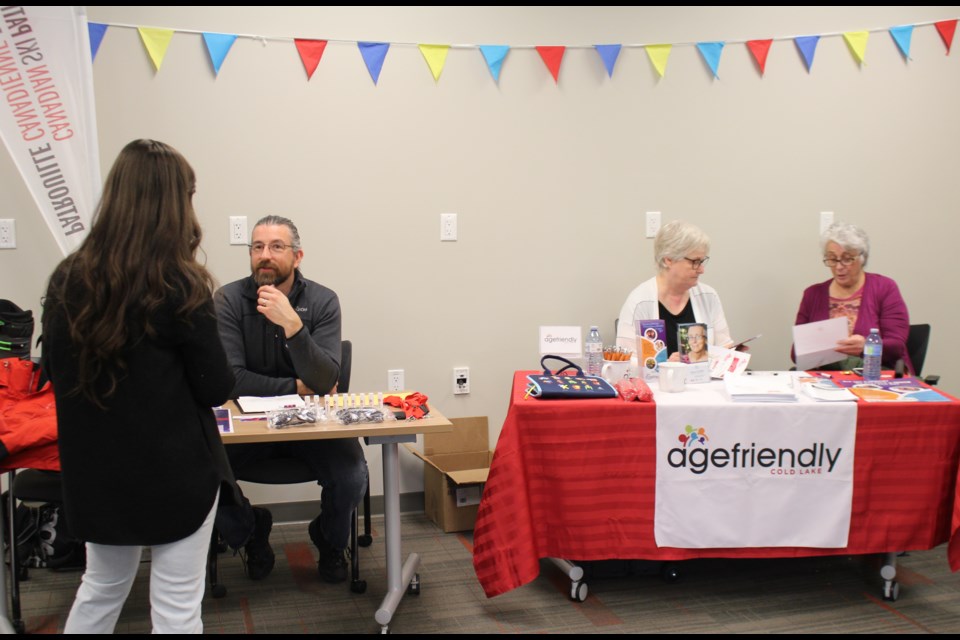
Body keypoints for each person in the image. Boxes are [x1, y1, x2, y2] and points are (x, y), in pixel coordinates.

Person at [41, 139, 235, 634]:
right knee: (175, 608)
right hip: (175, 476)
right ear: (173, 206)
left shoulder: (67, 281)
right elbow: (216, 387)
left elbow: (58, 378)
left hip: (96, 476)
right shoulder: (181, 285)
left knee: (100, 589)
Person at [215, 215, 368, 583]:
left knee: (352, 474)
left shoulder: (322, 300)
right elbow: (231, 381)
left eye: (276, 247)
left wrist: (293, 326)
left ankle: (329, 541)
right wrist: (299, 386)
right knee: (202, 472)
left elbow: (326, 378)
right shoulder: (229, 300)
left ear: (297, 256)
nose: (265, 255)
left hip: (313, 427)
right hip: (247, 429)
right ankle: (251, 531)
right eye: (257, 247)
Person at [792, 222, 911, 372]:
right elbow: (796, 353)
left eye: (847, 259)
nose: (839, 266)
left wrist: (867, 347)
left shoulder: (884, 288)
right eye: (832, 259)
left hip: (875, 377)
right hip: (825, 382)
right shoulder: (812, 294)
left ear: (862, 258)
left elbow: (896, 347)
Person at [616, 220, 734, 358]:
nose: (702, 270)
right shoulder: (640, 302)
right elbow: (625, 363)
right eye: (695, 262)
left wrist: (731, 355)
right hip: (658, 380)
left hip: (705, 379)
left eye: (702, 261)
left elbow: (724, 346)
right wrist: (664, 366)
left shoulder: (709, 296)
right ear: (669, 260)